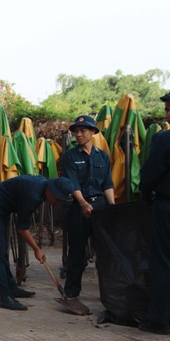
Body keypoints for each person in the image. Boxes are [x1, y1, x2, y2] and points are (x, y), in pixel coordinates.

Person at [0, 175, 74, 311]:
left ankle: (11, 288)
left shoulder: (42, 189)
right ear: (51, 191)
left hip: (2, 209)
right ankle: (4, 297)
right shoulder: (33, 195)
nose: (56, 202)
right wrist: (36, 249)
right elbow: (22, 228)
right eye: (57, 198)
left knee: (2, 251)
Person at [138, 86, 170, 335]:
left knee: (165, 264)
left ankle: (159, 321)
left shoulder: (167, 139)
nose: (166, 115)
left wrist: (147, 196)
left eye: (169, 110)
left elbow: (149, 176)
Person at [60, 115, 115, 315]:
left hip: (100, 207)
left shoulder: (103, 157)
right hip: (78, 207)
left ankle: (111, 294)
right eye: (76, 131)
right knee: (77, 252)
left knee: (106, 254)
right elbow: (72, 184)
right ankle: (71, 295)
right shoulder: (69, 157)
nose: (78, 134)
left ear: (93, 132)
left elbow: (107, 184)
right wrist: (83, 203)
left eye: (83, 130)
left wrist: (112, 207)